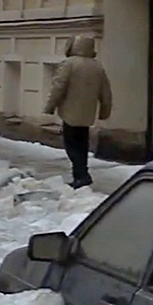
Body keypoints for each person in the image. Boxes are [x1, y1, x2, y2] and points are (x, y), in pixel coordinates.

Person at [44, 35, 112, 189]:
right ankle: (82, 174)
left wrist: (50, 107)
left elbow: (58, 87)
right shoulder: (97, 67)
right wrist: (104, 111)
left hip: (69, 113)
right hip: (87, 114)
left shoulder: (69, 64)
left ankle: (81, 176)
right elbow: (106, 93)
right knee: (82, 144)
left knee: (71, 145)